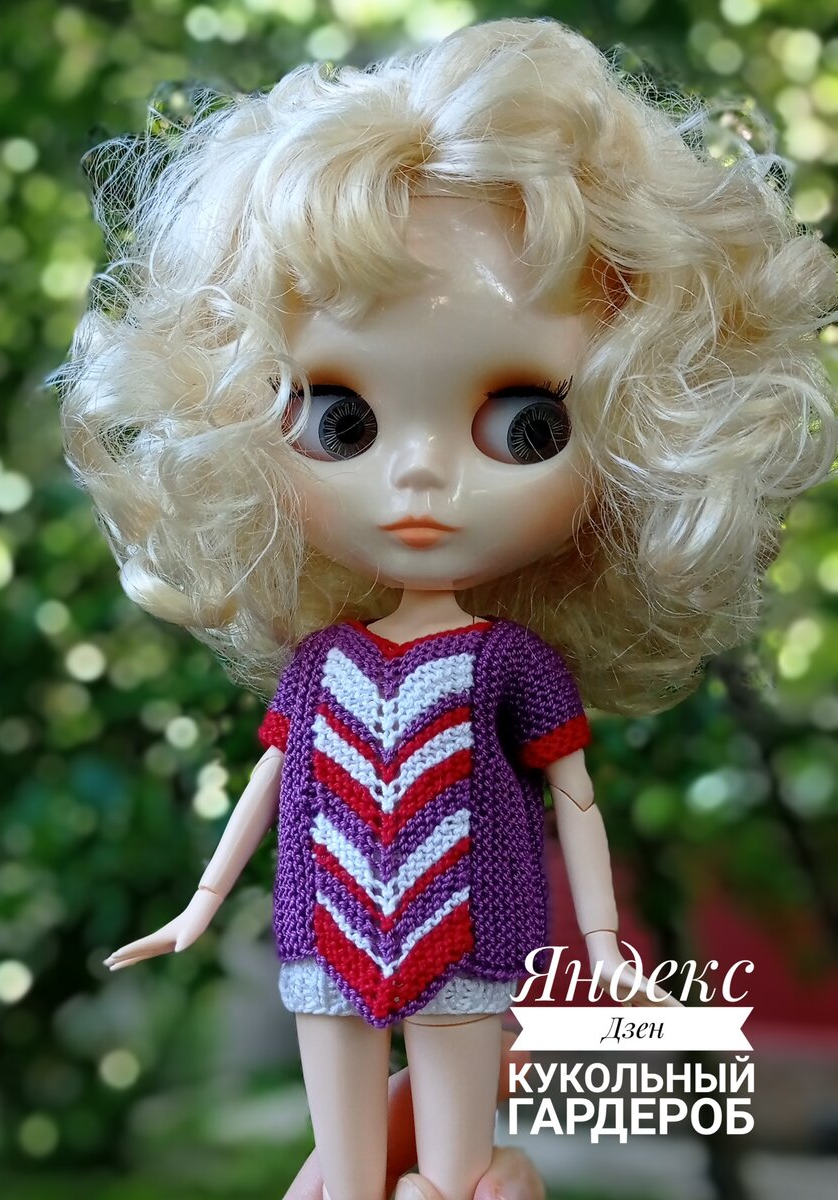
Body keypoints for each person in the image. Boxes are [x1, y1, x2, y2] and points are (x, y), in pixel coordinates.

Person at [57, 17, 836, 1200]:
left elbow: (573, 794)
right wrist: (200, 904)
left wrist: (604, 943)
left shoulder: (513, 667)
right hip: (324, 934)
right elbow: (272, 785)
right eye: (343, 423)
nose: (420, 476)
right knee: (347, 1174)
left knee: (459, 1172)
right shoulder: (321, 667)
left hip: (471, 934)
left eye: (526, 423)